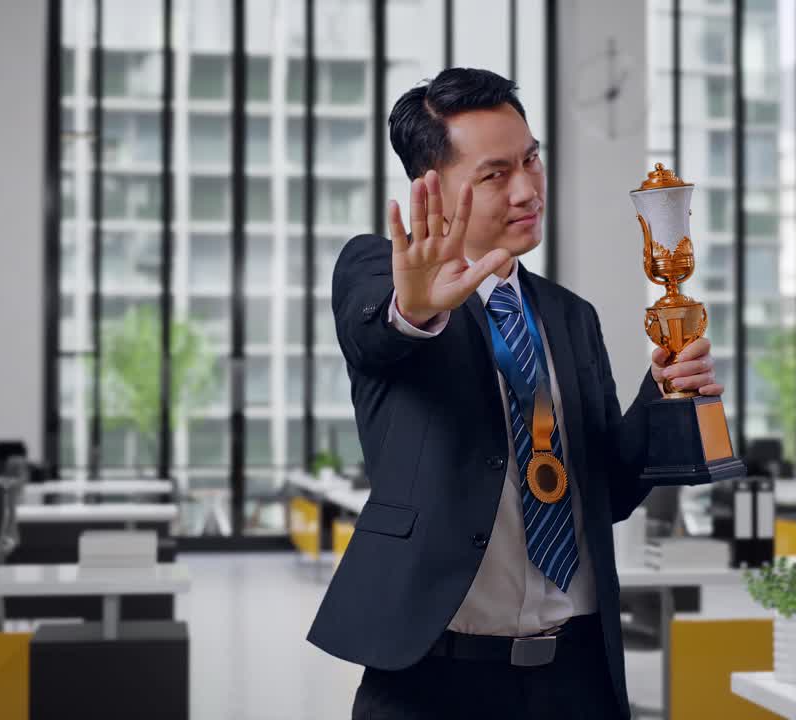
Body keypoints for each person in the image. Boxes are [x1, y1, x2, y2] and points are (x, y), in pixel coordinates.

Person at [308, 67, 723, 720]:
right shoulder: (377, 272)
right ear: (433, 190)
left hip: (576, 678)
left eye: (532, 159)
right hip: (434, 682)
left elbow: (605, 492)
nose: (529, 189)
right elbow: (376, 338)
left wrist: (663, 393)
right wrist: (412, 310)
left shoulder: (570, 316)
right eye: (496, 174)